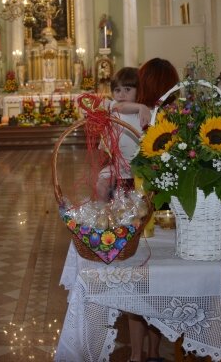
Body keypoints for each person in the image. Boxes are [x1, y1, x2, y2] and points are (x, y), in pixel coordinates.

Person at [126, 57, 180, 362]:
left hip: (142, 208)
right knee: (162, 281)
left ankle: (138, 355)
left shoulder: (142, 116)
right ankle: (154, 350)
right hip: (170, 209)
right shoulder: (178, 118)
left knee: (139, 281)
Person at [94, 67, 147, 200]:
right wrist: (140, 106)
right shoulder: (113, 106)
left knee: (139, 199)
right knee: (102, 184)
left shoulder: (144, 113)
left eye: (127, 90)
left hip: (140, 169)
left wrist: (142, 107)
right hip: (118, 168)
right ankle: (103, 213)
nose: (121, 95)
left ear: (139, 90)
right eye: (117, 90)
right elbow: (120, 107)